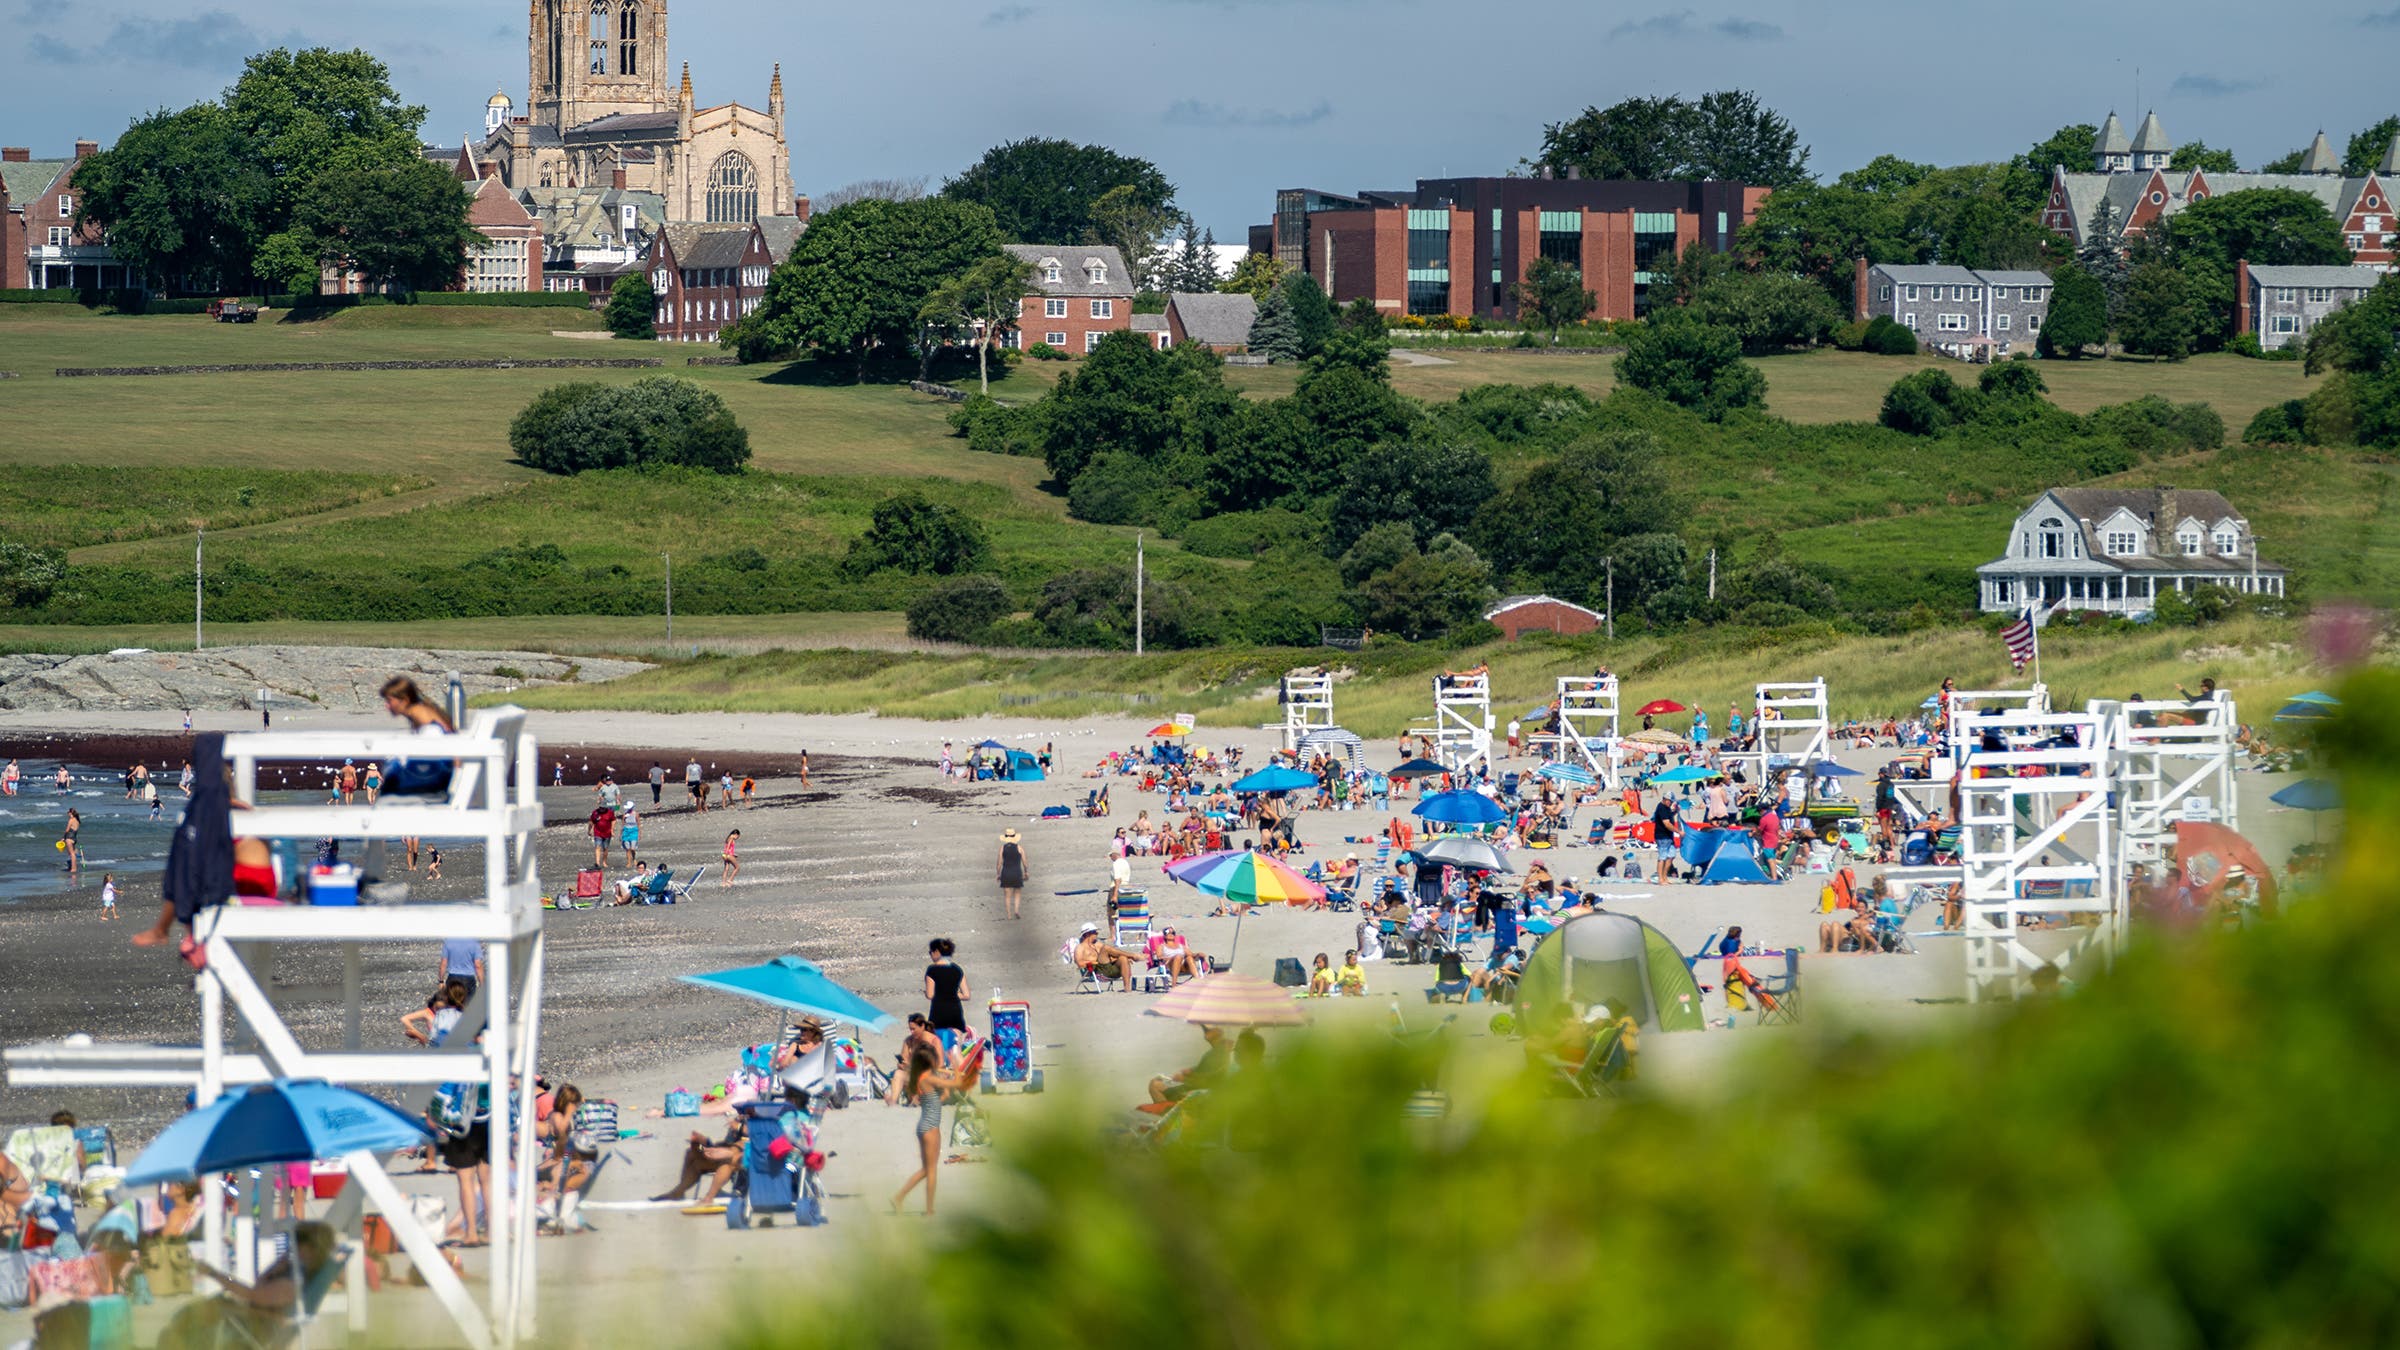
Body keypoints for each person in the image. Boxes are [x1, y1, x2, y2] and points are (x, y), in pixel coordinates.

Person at [165, 1220, 340, 1348]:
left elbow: (251, 1294)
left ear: (309, 1248)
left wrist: (214, 1274)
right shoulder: (298, 1274)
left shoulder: (292, 1283)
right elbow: (257, 1287)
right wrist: (278, 1265)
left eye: (295, 1243)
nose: (291, 1248)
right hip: (251, 1320)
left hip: (252, 1327)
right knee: (184, 1321)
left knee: (184, 1323)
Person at [891, 1041, 969, 1216]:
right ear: (931, 1061)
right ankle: (928, 1209)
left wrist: (945, 1090)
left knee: (927, 1169)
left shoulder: (922, 1077)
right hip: (930, 1128)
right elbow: (957, 1083)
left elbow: (939, 1099)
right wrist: (955, 1064)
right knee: (931, 1170)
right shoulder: (929, 1078)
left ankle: (899, 1198)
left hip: (927, 1125)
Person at [1147, 1025, 1229, 1105]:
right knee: (1157, 1082)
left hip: (1195, 1090)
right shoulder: (1217, 1050)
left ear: (1219, 1031)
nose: (1205, 1030)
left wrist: (1184, 1078)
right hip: (1193, 1086)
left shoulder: (1220, 1053)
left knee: (1154, 1085)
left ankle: (1167, 1112)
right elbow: (1205, 1069)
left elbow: (1210, 1080)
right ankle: (1167, 1109)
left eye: (1208, 1028)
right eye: (1204, 1028)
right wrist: (1191, 1070)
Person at [924, 938, 969, 1049]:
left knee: (937, 1045)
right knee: (956, 1046)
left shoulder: (932, 970)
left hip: (939, 1010)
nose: (930, 955)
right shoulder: (957, 969)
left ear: (937, 952)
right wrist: (952, 993)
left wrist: (926, 993)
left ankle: (943, 1064)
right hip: (955, 1010)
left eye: (931, 952)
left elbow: (930, 995)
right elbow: (966, 995)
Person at [1075, 924, 1143, 993]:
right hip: (1096, 972)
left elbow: (1110, 956)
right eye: (1095, 932)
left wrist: (1119, 959)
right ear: (1088, 934)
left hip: (1107, 970)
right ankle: (1132, 955)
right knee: (1105, 948)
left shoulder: (1097, 944)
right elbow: (1080, 964)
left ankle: (1127, 989)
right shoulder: (1080, 948)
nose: (1097, 934)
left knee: (1123, 958)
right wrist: (1092, 962)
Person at [403, 980, 469, 1046]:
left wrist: (418, 1035)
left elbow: (434, 1046)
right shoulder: (469, 1015)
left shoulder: (442, 1015)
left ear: (446, 998)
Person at [440, 936, 483, 1003]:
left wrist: (441, 981)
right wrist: (482, 983)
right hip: (469, 979)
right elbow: (478, 965)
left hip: (452, 978)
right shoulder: (474, 943)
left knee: (452, 1005)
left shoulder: (448, 941)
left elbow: (443, 963)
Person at [996, 829, 1027, 920]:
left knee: (1007, 895)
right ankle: (1016, 911)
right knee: (1017, 892)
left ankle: (1009, 915)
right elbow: (1025, 862)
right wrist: (1026, 871)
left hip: (1006, 873)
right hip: (1017, 872)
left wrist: (998, 873)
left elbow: (999, 863)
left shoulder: (1002, 848)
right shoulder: (1019, 848)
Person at [588, 803, 616, 868]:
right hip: (597, 832)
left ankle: (604, 862)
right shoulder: (595, 812)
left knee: (605, 848)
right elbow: (591, 822)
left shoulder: (610, 813)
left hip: (607, 833)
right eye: (600, 808)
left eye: (603, 808)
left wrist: (612, 830)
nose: (601, 809)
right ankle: (597, 863)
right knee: (597, 847)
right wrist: (589, 830)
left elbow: (613, 820)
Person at [60, 807, 81, 875]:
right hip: (74, 838)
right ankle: (71, 867)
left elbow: (67, 830)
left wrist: (63, 838)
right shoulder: (77, 821)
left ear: (71, 813)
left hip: (69, 837)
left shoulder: (71, 820)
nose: (68, 814)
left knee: (72, 854)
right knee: (72, 853)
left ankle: (73, 868)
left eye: (68, 813)